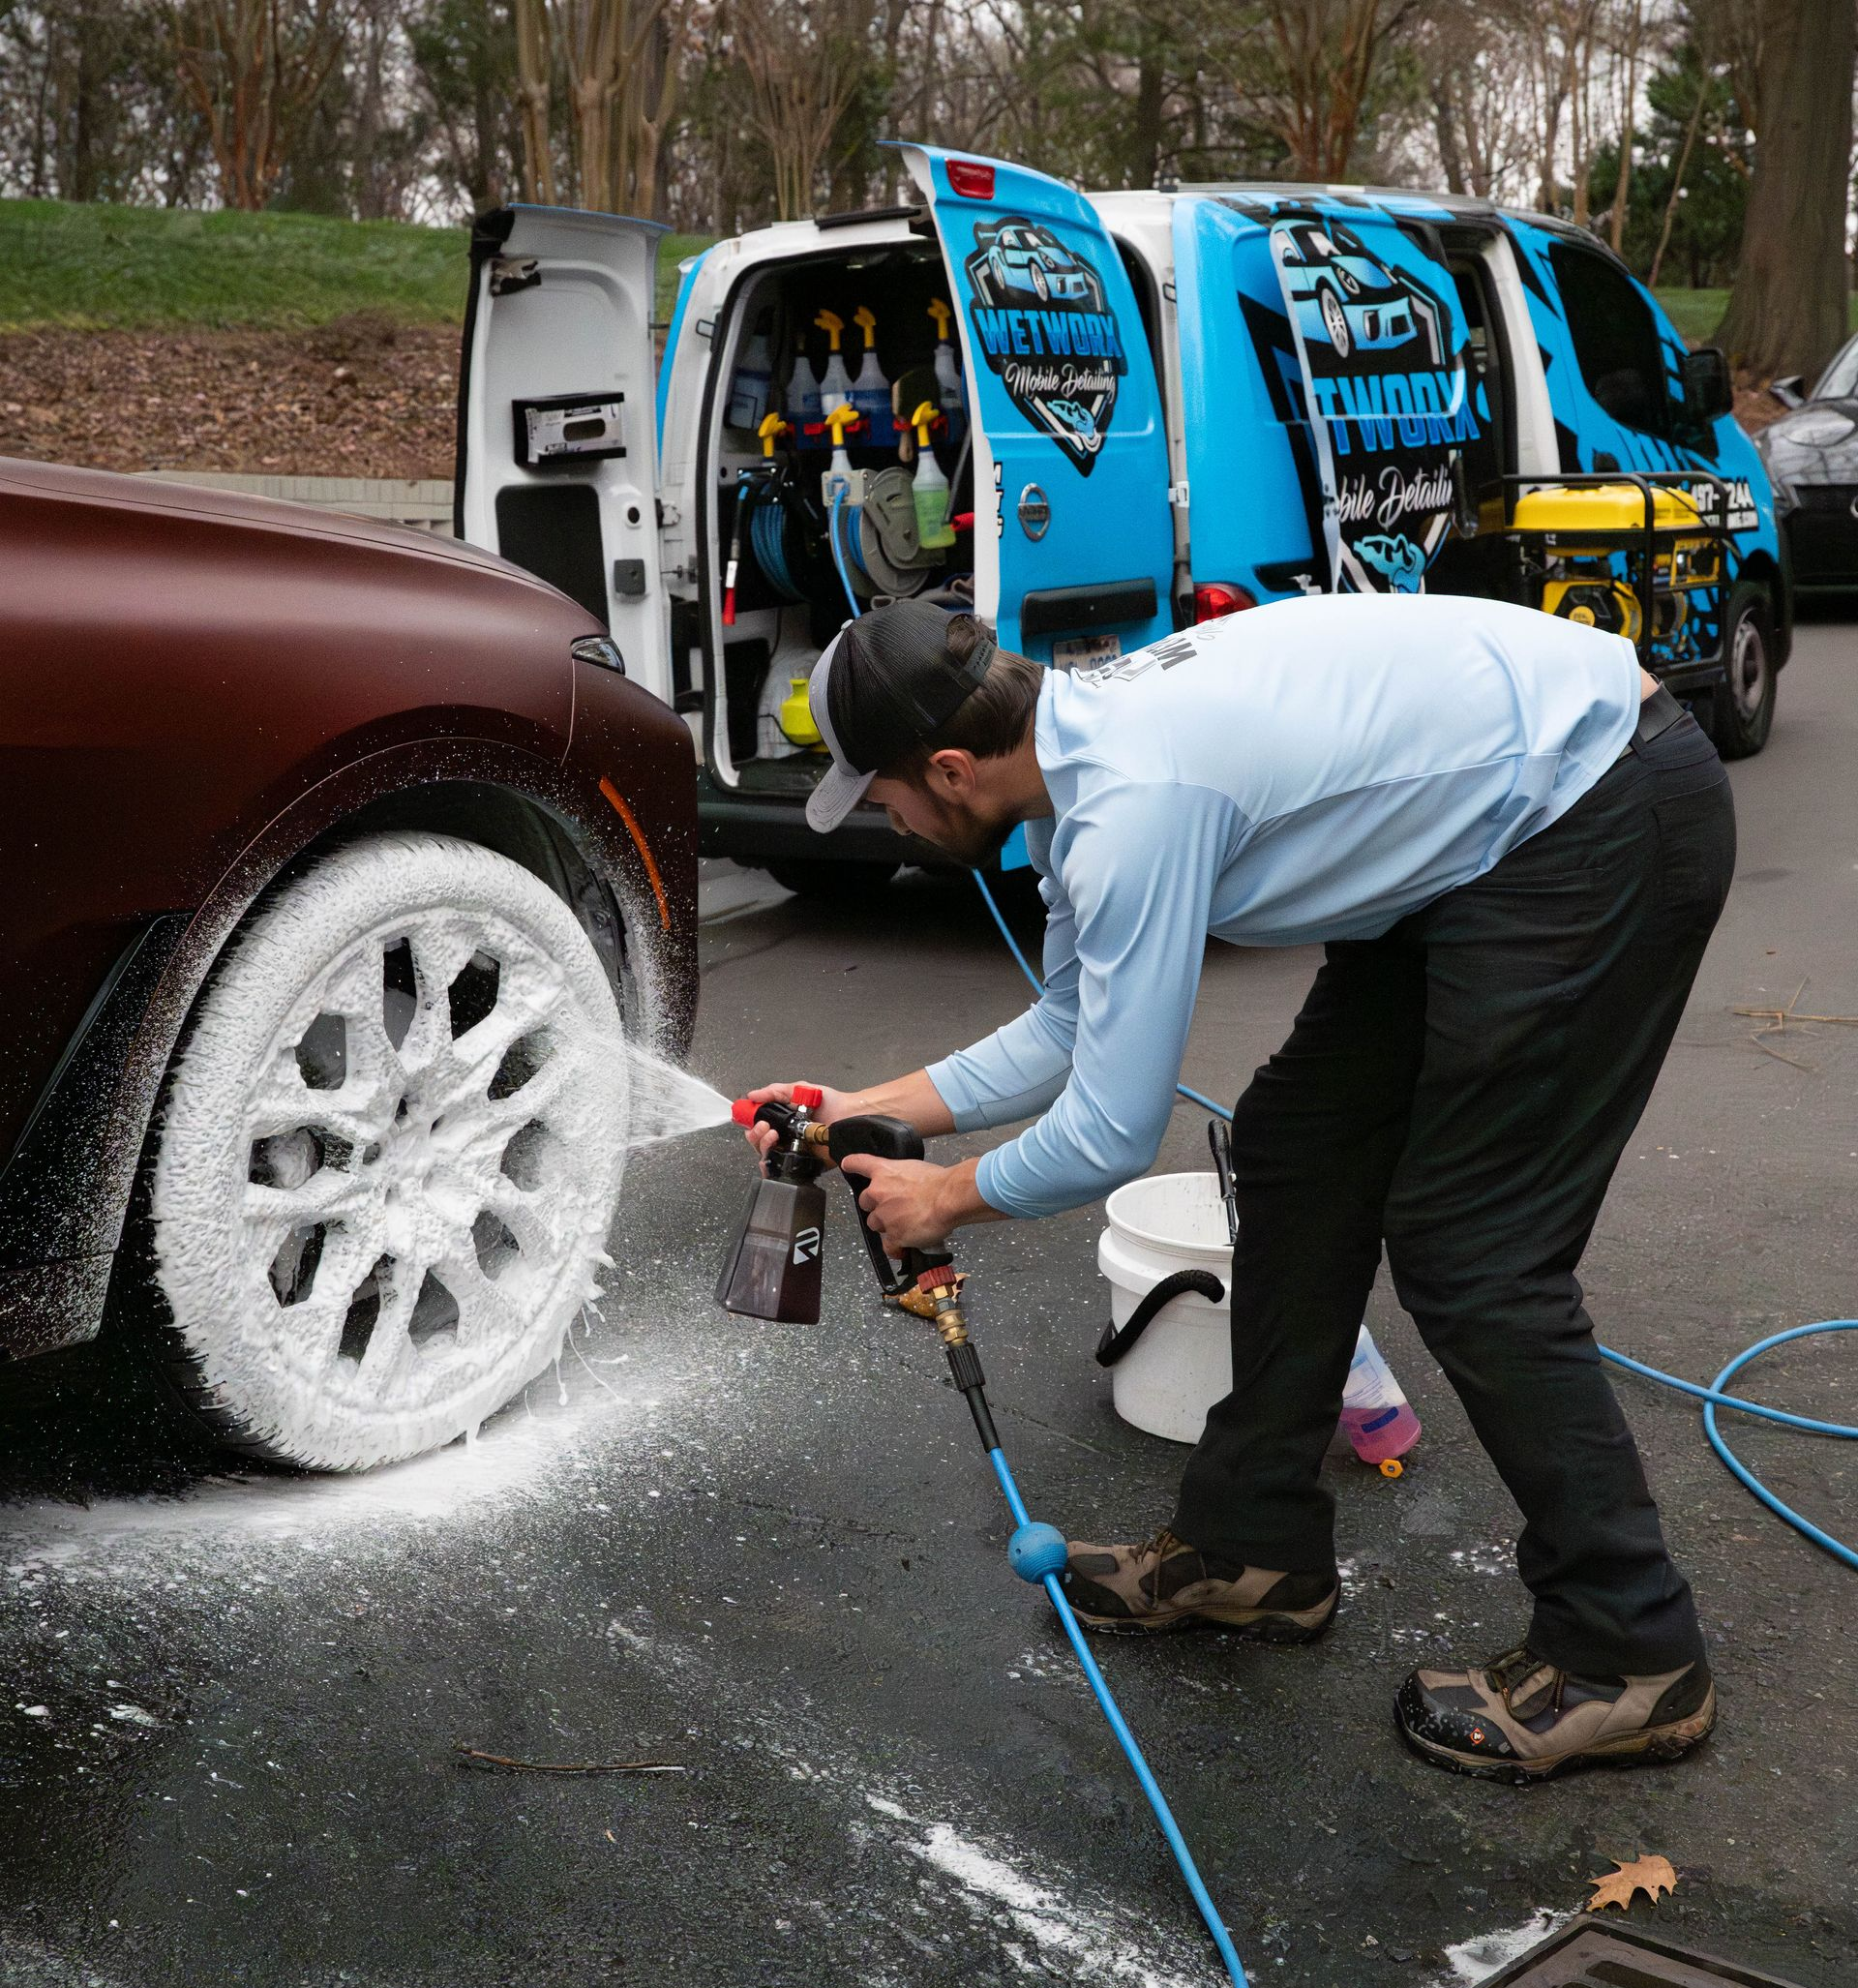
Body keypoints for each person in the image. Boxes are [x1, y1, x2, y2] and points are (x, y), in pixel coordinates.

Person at [743, 590, 1732, 1784]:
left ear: (950, 767)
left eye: (883, 792)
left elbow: (1113, 1127)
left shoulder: (1131, 806)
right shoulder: (1071, 773)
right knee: (1296, 1148)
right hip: (1481, 833)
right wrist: (862, 1105)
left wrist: (947, 1198)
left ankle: (1631, 1647)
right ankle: (1253, 1547)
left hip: (1595, 810)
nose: (886, 819)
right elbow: (1068, 1021)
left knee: (1475, 1250)